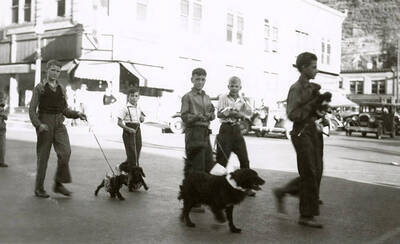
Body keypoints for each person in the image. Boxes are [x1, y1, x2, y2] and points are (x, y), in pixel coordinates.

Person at [273, 52, 331, 228]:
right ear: (303, 68)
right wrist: (312, 105)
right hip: (301, 132)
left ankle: (284, 192)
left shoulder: (313, 88)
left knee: (316, 171)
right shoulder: (296, 88)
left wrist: (322, 112)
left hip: (314, 130)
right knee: (309, 173)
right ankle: (306, 215)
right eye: (313, 67)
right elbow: (292, 114)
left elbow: (315, 110)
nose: (316, 70)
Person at [29, 60, 87, 198]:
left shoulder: (61, 88)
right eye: (53, 70)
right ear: (47, 70)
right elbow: (31, 110)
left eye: (58, 71)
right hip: (45, 124)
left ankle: (58, 183)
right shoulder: (40, 88)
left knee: (65, 152)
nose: (55, 73)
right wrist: (38, 124)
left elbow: (64, 109)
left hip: (59, 124)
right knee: (43, 158)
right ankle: (39, 188)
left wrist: (77, 114)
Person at [181, 68, 215, 212]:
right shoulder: (187, 97)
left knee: (208, 165)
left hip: (205, 133)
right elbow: (184, 116)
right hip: (193, 132)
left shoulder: (207, 97)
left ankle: (202, 197)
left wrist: (211, 115)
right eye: (197, 79)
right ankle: (193, 202)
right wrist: (197, 117)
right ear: (192, 80)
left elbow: (212, 113)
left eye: (202, 79)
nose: (200, 82)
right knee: (196, 167)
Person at [215, 76, 254, 196]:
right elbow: (219, 114)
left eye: (236, 86)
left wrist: (240, 114)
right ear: (228, 87)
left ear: (240, 87)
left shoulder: (242, 100)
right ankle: (215, 187)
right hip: (225, 129)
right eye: (231, 86)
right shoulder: (223, 97)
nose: (234, 88)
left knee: (244, 159)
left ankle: (247, 187)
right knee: (221, 161)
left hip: (236, 130)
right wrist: (234, 113)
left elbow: (248, 114)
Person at [117, 87, 145, 170]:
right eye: (132, 96)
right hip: (128, 131)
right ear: (128, 97)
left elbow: (141, 116)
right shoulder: (125, 108)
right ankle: (133, 176)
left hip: (137, 130)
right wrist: (128, 129)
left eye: (136, 96)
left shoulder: (139, 107)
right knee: (132, 154)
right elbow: (119, 122)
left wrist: (142, 118)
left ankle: (122, 167)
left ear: (139, 97)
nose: (134, 98)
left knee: (137, 153)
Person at [0, 92, 8, 168]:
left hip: (2, 129)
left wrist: (2, 114)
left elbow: (6, 117)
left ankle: (2, 162)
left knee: (2, 146)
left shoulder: (3, 109)